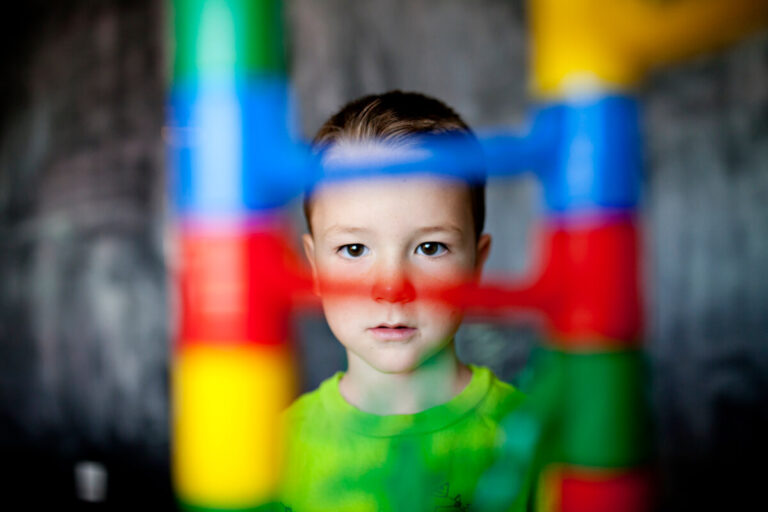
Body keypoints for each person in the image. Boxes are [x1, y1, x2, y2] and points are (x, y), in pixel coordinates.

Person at [278, 91, 531, 511]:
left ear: (476, 264)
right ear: (315, 269)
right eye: (355, 249)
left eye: (430, 248)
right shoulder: (272, 452)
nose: (392, 288)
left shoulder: (527, 439)